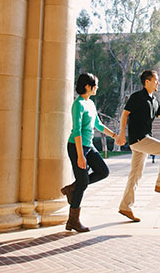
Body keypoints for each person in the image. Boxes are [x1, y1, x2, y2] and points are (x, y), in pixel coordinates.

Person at [116, 70, 160, 223]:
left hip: (143, 140)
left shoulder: (154, 100)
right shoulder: (137, 97)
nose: (158, 82)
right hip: (139, 138)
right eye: (156, 80)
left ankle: (125, 206)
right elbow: (125, 114)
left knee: (135, 175)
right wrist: (122, 134)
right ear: (147, 82)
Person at [61, 73, 118, 232]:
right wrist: (80, 155)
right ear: (88, 86)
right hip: (76, 146)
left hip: (89, 146)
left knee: (103, 171)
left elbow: (98, 125)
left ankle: (71, 188)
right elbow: (77, 131)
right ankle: (73, 221)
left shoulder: (90, 104)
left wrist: (115, 136)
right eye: (95, 85)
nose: (97, 88)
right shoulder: (78, 104)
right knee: (83, 183)